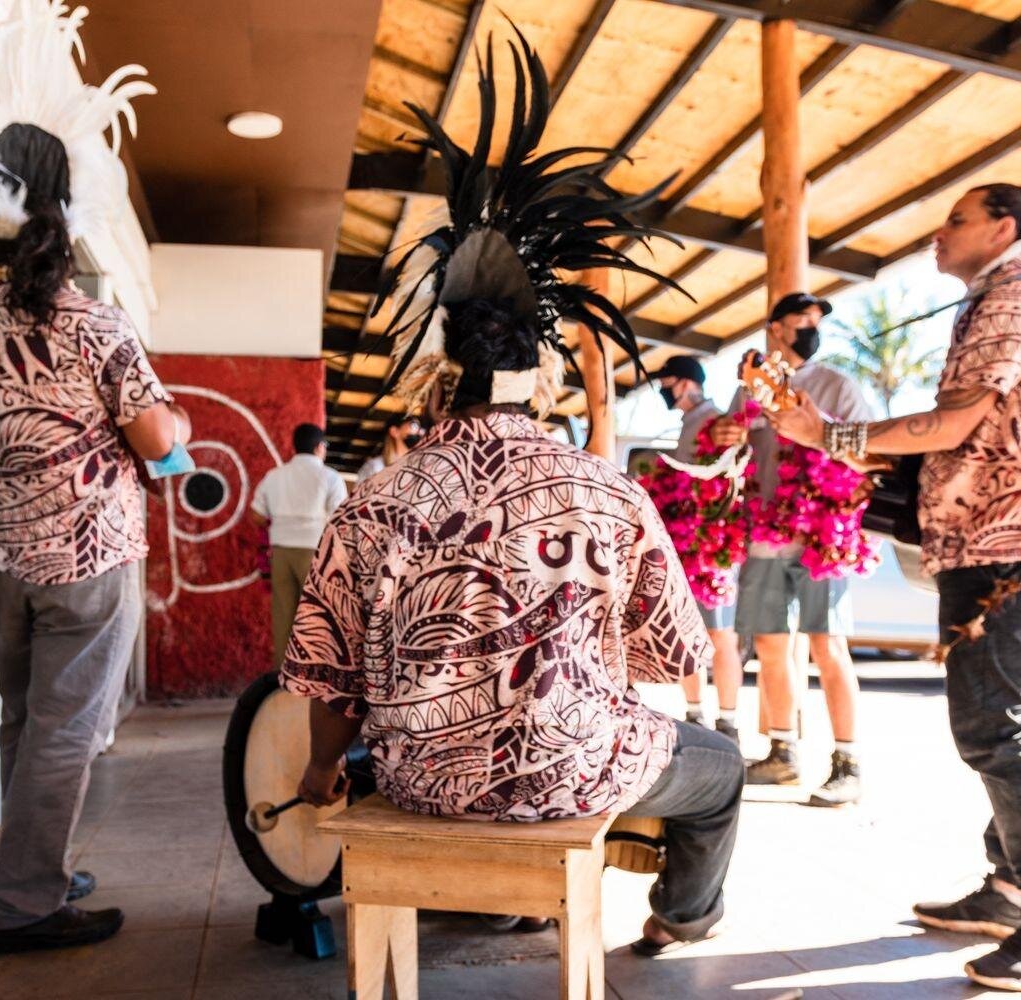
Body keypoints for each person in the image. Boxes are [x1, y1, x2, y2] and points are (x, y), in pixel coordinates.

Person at [282, 31, 742, 957]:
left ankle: (503, 897)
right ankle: (682, 917)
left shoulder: (368, 503)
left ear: (438, 375)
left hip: (421, 781)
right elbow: (667, 659)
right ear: (537, 380)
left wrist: (323, 773)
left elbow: (331, 683)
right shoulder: (608, 494)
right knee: (722, 769)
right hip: (574, 769)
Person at [770, 182, 1021, 991]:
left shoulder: (1014, 296)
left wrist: (825, 434)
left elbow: (953, 423)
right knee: (1012, 725)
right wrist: (833, 441)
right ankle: (1011, 890)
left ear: (1003, 227)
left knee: (996, 730)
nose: (937, 233)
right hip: (1008, 544)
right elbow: (966, 433)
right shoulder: (1008, 297)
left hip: (1013, 547)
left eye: (956, 219)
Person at [0, 0, 170, 955]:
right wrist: (177, 424)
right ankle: (26, 905)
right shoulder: (92, 323)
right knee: (66, 732)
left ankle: (32, 869)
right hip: (85, 560)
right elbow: (155, 436)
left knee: (26, 725)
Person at [711, 292, 877, 807]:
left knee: (828, 646)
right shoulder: (749, 390)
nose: (811, 327)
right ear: (776, 328)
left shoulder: (837, 385)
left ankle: (848, 763)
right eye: (801, 319)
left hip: (820, 540)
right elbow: (730, 450)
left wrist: (817, 431)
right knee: (769, 645)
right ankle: (782, 754)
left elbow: (868, 449)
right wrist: (724, 435)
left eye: (816, 320)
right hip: (764, 536)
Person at [652, 354, 746, 742]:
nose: (664, 391)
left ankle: (728, 721)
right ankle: (695, 715)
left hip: (711, 547)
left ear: (688, 383)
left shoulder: (716, 422)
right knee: (687, 631)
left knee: (720, 633)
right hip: (685, 545)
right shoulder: (689, 425)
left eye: (668, 383)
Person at [251, 423, 348, 665]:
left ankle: (283, 675)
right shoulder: (330, 477)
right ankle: (315, 671)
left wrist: (282, 521)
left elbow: (257, 515)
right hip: (316, 552)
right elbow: (340, 520)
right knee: (318, 615)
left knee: (284, 615)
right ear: (319, 447)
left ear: (294, 447)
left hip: (281, 552)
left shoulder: (274, 476)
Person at [355, 415, 422, 480]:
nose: (418, 432)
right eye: (413, 426)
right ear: (394, 431)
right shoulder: (375, 466)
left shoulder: (418, 467)